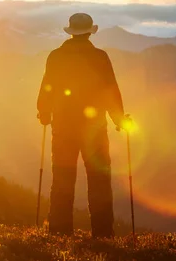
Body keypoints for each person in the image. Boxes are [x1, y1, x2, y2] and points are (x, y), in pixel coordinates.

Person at [37, 13, 126, 238]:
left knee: (62, 178)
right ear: (89, 32)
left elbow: (47, 86)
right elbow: (110, 90)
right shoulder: (100, 57)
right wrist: (118, 118)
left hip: (63, 127)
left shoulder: (56, 57)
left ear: (70, 31)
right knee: (99, 181)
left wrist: (44, 113)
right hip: (94, 129)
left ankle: (59, 231)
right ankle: (103, 232)